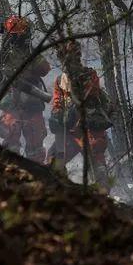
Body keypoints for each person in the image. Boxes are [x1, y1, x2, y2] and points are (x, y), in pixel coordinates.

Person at [47, 41, 113, 187]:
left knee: (98, 168)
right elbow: (57, 103)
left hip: (89, 129)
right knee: (53, 161)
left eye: (71, 57)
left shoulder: (89, 75)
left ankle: (103, 201)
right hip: (70, 132)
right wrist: (56, 116)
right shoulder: (60, 80)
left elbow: (89, 95)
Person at [0, 15, 50, 163]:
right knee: (10, 136)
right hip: (13, 103)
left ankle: (36, 176)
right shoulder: (3, 54)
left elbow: (45, 69)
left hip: (31, 104)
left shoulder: (30, 52)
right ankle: (10, 170)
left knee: (35, 144)